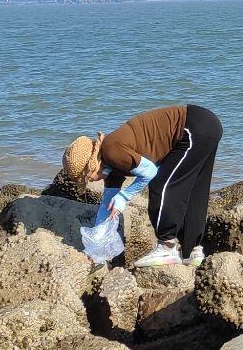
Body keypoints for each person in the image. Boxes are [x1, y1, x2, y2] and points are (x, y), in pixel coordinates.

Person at [61, 104, 222, 267]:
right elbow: (106, 206)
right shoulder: (112, 169)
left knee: (162, 184)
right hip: (207, 124)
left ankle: (167, 247)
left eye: (89, 177)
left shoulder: (111, 150)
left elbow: (150, 172)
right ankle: (192, 252)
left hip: (192, 127)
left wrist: (124, 196)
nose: (92, 181)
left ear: (93, 164)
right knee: (194, 189)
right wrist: (95, 247)